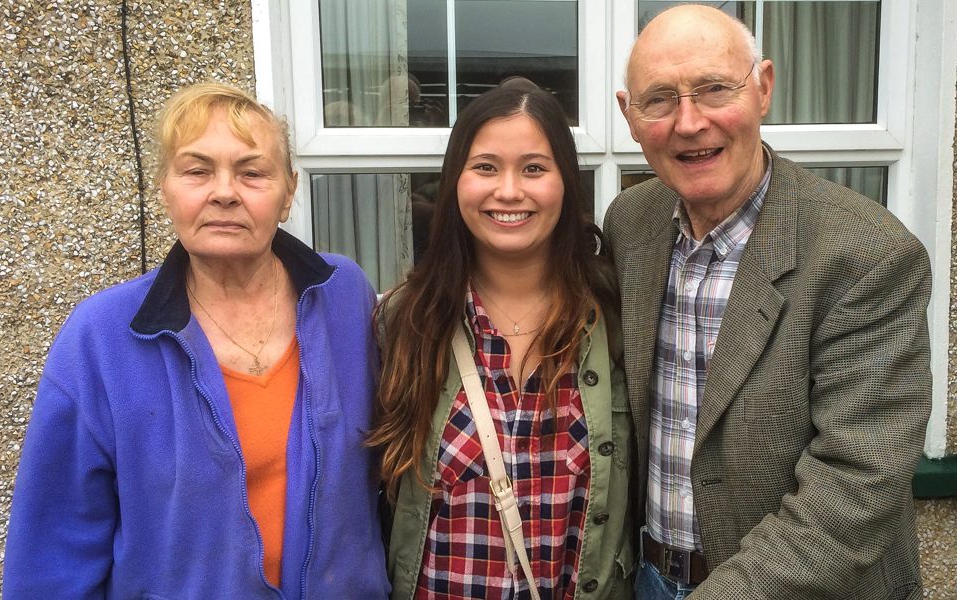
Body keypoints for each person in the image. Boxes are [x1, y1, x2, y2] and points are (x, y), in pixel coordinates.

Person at [4, 83, 390, 599]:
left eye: (252, 172)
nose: (225, 192)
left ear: (289, 192)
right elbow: (53, 550)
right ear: (165, 188)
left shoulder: (343, 297)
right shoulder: (102, 336)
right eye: (197, 170)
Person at [604, 5, 931, 599]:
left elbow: (857, 483)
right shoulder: (632, 221)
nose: (689, 121)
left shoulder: (865, 251)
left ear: (764, 89)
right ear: (629, 116)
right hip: (650, 578)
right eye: (660, 99)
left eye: (713, 89)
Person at [370, 86, 634, 599]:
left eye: (534, 168)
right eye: (486, 167)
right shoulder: (405, 321)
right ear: (455, 182)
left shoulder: (614, 318)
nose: (509, 191)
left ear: (565, 183)